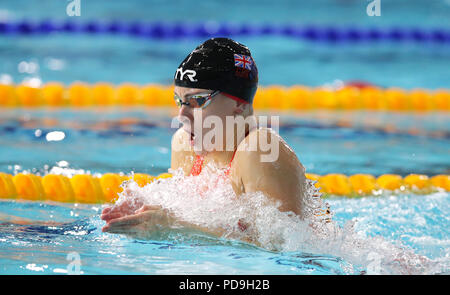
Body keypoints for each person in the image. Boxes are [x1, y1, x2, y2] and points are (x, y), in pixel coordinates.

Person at [101, 38, 308, 243]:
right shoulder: (184, 144)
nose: (181, 115)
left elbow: (283, 247)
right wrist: (146, 211)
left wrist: (176, 228)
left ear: (239, 104)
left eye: (197, 100)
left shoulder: (260, 150)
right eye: (179, 101)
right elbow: (188, 221)